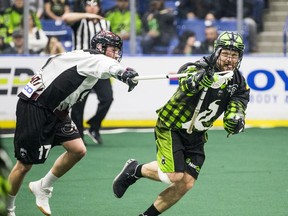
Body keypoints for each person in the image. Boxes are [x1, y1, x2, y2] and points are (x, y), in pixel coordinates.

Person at [113, 31, 250, 216]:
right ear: (216, 52)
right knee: (174, 176)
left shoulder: (239, 82)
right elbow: (186, 77)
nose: (229, 60)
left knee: (186, 182)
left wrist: (235, 120)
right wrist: (200, 80)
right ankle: (135, 170)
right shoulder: (200, 66)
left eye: (234, 55)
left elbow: (237, 105)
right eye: (225, 53)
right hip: (172, 126)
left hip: (197, 134)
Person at [6, 30, 139, 216]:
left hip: (57, 110)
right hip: (35, 106)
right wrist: (124, 73)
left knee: (78, 150)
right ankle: (7, 208)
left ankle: (42, 187)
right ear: (100, 47)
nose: (116, 54)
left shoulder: (82, 55)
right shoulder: (96, 59)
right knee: (24, 165)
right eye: (113, 49)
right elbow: (110, 66)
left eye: (118, 50)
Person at [62, 0, 112, 144]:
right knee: (78, 104)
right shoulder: (80, 21)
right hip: (82, 68)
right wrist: (86, 15)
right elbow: (66, 17)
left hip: (100, 67)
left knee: (107, 98)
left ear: (99, 7)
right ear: (85, 7)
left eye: (94, 5)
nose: (91, 7)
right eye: (88, 5)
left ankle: (94, 126)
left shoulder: (105, 24)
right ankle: (78, 137)